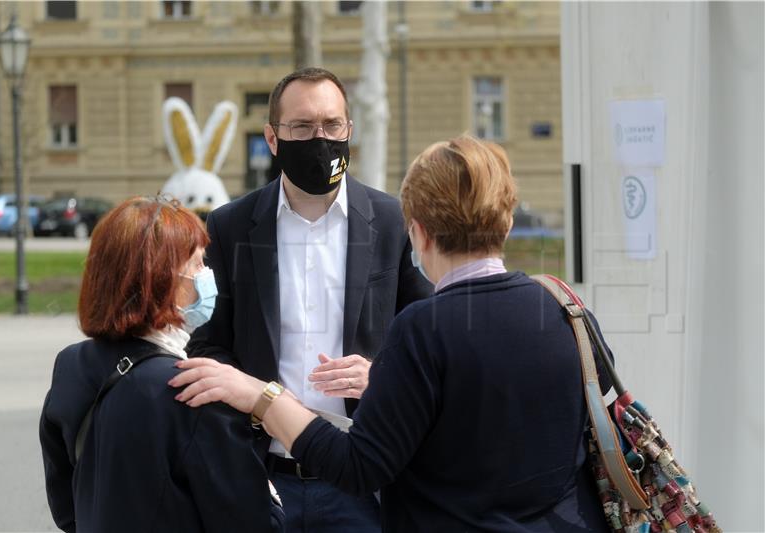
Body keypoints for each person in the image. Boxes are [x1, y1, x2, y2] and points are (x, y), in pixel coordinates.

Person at [171, 135, 615, 532]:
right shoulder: (568, 310)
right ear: (509, 221)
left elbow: (358, 467)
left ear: (417, 233)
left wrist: (263, 397)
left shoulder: (423, 330)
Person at [186, 67, 432, 531]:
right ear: (273, 138)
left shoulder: (393, 221)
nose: (319, 139)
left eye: (331, 125)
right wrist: (252, 401)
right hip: (262, 476)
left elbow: (429, 339)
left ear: (349, 132)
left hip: (365, 478)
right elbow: (207, 345)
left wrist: (382, 375)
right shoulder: (231, 226)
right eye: (301, 127)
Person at [39, 196, 284, 533]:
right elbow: (257, 523)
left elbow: (67, 510)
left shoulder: (70, 365)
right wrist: (269, 492)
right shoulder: (195, 388)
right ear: (162, 279)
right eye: (197, 264)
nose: (207, 275)